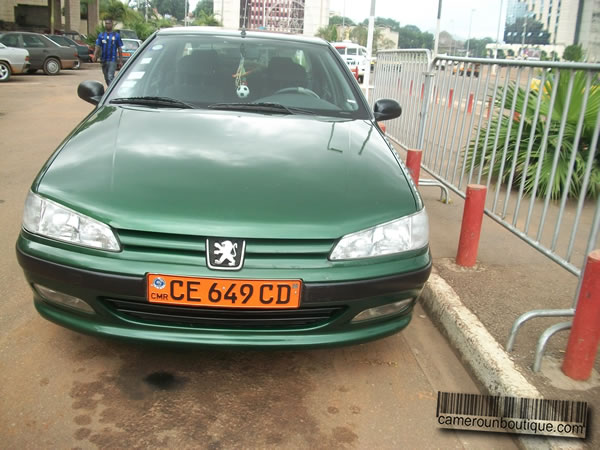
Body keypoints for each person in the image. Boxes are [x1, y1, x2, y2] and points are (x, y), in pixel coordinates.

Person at [93, 19, 123, 85]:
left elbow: (119, 48)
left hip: (112, 60)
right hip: (104, 59)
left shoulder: (116, 35)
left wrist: (120, 60)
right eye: (106, 23)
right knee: (106, 77)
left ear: (112, 24)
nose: (107, 25)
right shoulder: (101, 35)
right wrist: (95, 55)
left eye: (109, 23)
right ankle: (111, 88)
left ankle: (112, 92)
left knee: (110, 77)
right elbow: (98, 46)